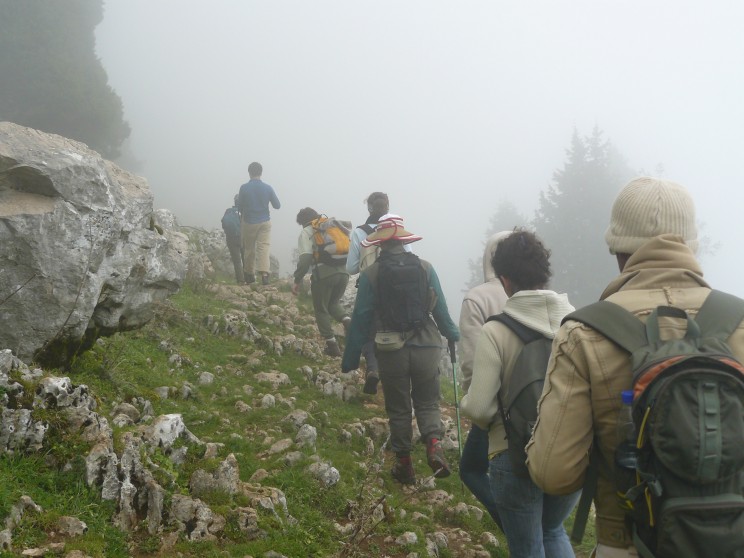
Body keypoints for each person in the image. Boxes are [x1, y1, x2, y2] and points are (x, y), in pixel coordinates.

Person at [525, 177, 744, 557]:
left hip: (625, 543)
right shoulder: (739, 322)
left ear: (616, 248)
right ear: (692, 245)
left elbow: (554, 474)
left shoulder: (583, 332)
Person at [461, 229, 579, 558]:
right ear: (545, 273)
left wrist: (465, 402)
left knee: (527, 547)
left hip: (514, 454)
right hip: (569, 449)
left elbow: (481, 409)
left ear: (505, 279)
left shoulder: (496, 330)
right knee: (553, 530)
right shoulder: (575, 321)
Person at [341, 214, 460, 484]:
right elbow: (440, 310)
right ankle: (433, 444)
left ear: (380, 244)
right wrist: (453, 334)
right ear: (403, 241)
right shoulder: (426, 268)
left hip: (390, 347)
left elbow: (360, 319)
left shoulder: (371, 274)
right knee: (428, 400)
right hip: (427, 344)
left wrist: (349, 360)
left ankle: (404, 464)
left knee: (399, 408)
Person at [457, 231, 510, 526]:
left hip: (494, 402)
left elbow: (472, 360)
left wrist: (473, 401)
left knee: (471, 469)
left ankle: (508, 519)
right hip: (537, 402)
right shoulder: (540, 294)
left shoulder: (478, 297)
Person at [345, 192, 390, 394]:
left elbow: (351, 267)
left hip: (369, 288)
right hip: (395, 288)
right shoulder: (396, 230)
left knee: (368, 331)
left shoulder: (359, 232)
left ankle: (373, 369)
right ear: (387, 208)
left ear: (369, 208)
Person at [291, 207, 351, 357]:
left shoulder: (307, 231)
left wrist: (297, 280)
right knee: (333, 303)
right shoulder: (332, 226)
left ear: (303, 222)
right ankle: (348, 321)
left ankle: (332, 347)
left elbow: (305, 260)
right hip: (343, 273)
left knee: (321, 308)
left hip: (324, 275)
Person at [237, 162, 280, 285]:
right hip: (265, 221)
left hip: (249, 222)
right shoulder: (268, 188)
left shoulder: (244, 188)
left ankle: (249, 275)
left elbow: (239, 206)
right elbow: (277, 205)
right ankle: (265, 275)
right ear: (261, 173)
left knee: (249, 249)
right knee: (264, 247)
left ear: (249, 173)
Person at [221, 195, 244, 284]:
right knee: (245, 258)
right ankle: (248, 279)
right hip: (243, 237)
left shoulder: (228, 211)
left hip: (231, 238)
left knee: (237, 260)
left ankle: (240, 280)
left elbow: (223, 224)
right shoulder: (244, 212)